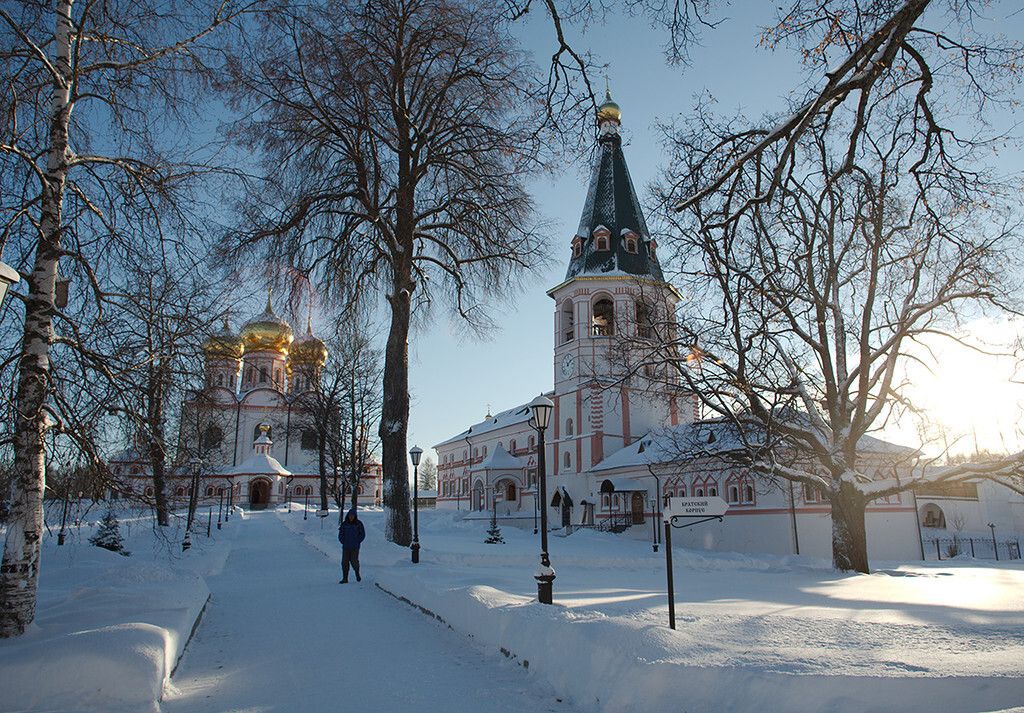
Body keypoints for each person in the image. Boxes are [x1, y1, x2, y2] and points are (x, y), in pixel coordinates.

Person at [337, 508, 365, 583]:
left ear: (355, 516)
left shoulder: (359, 524)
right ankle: (345, 578)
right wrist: (343, 541)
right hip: (346, 547)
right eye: (350, 515)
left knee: (354, 561)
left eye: (353, 515)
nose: (351, 517)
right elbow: (340, 534)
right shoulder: (344, 524)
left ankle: (357, 572)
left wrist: (357, 541)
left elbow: (362, 534)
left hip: (355, 547)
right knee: (344, 562)